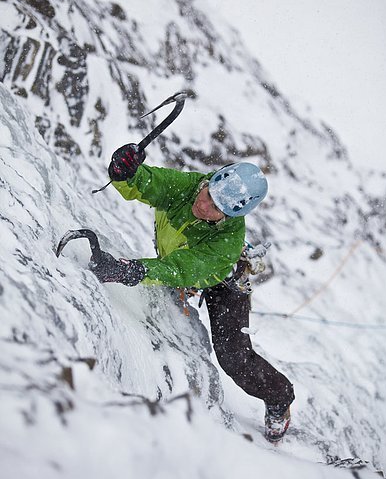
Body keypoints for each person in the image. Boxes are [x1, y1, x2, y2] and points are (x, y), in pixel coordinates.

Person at [90, 143, 295, 441]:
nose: (203, 205)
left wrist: (132, 270)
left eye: (216, 209)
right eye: (208, 194)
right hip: (186, 262)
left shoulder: (226, 241)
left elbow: (182, 268)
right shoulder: (189, 187)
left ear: (230, 217)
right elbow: (148, 184)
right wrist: (125, 172)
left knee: (234, 358)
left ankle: (280, 397)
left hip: (222, 282)